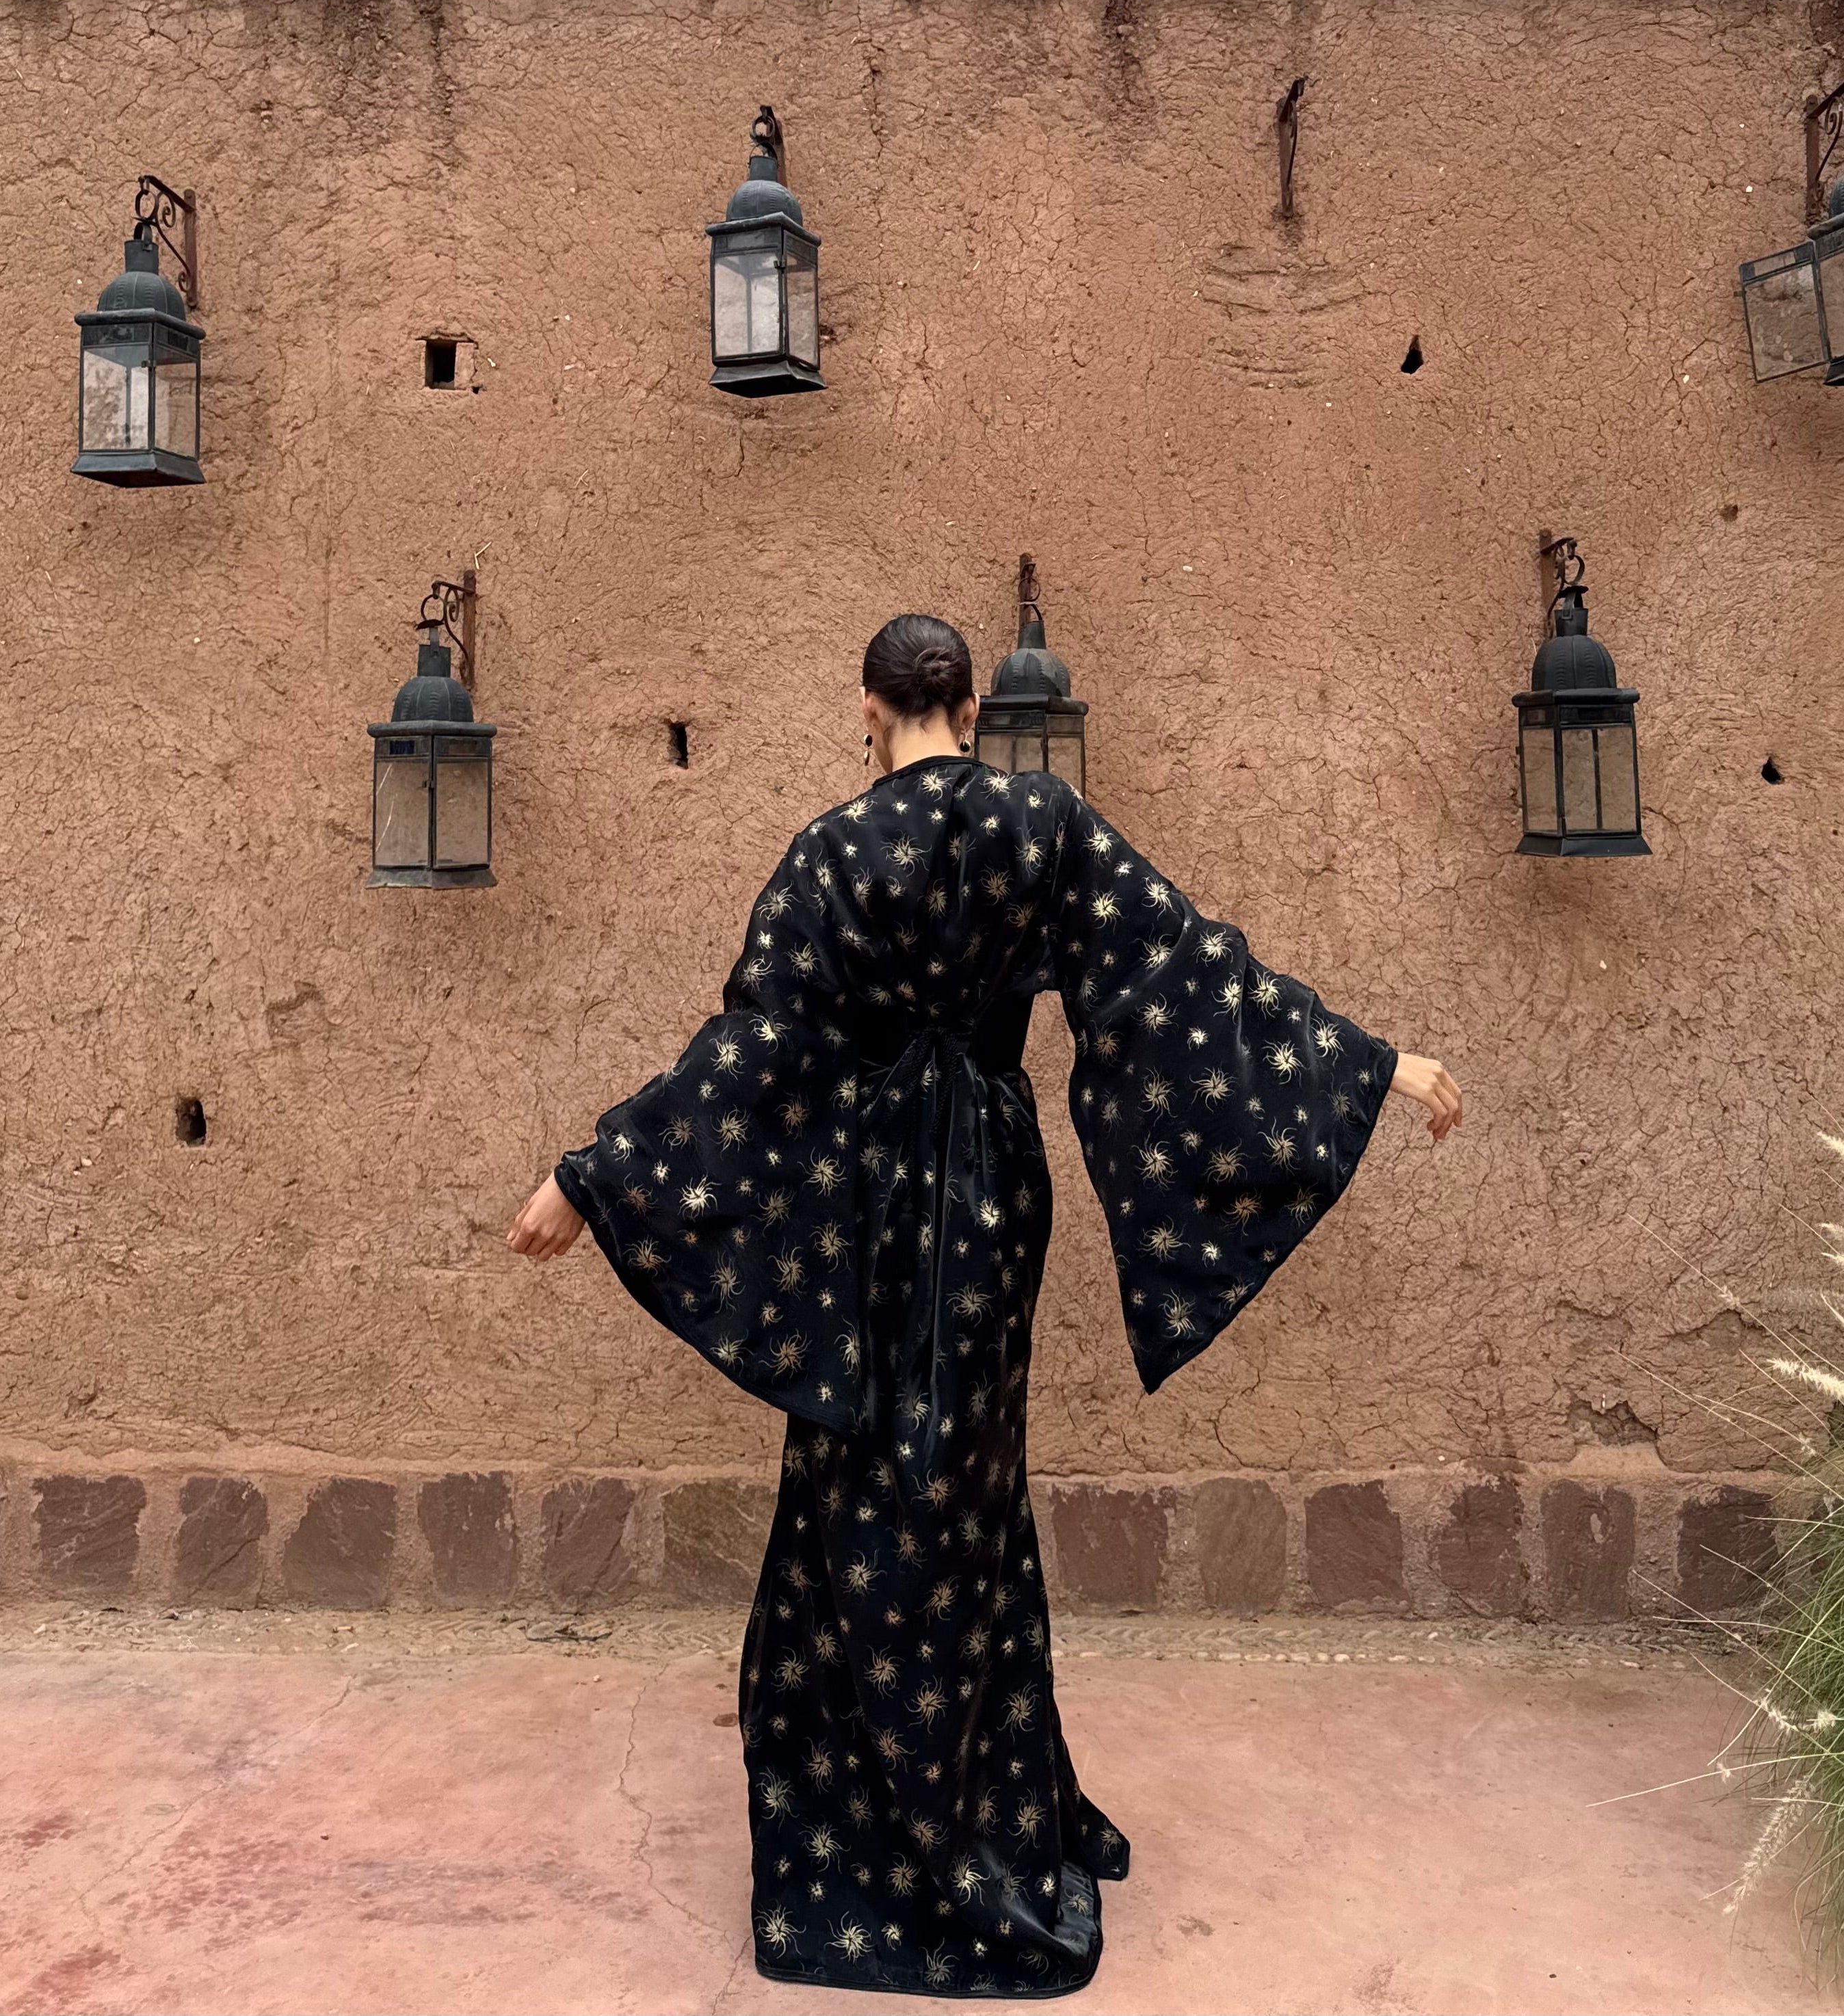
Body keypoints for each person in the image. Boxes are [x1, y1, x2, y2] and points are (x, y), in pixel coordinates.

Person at [509, 613, 1461, 1999]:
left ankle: (886, 1831)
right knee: (967, 1488)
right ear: (969, 709)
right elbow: (1182, 968)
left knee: (859, 1481)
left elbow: (750, 1052)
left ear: (868, 709)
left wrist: (595, 1176)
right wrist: (1367, 1063)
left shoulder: (829, 851)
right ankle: (975, 1802)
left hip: (866, 1203)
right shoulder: (1041, 822)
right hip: (996, 1195)